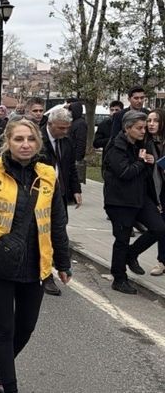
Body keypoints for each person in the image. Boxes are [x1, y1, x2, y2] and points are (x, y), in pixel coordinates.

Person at [0, 118, 72, 393]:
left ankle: (2, 362)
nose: (25, 144)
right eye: (19, 139)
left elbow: (57, 221)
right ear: (7, 142)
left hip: (36, 264)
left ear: (38, 143)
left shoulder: (49, 175)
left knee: (26, 327)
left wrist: (63, 261)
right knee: (5, 329)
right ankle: (8, 384)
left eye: (31, 139)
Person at [103, 111, 165, 294]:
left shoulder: (142, 145)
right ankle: (119, 278)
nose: (143, 131)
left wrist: (150, 163)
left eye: (144, 128)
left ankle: (132, 254)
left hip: (140, 198)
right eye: (139, 128)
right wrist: (141, 162)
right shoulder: (116, 146)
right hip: (120, 201)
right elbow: (125, 173)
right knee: (122, 239)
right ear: (127, 128)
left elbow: (145, 177)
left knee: (159, 228)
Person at [38, 106, 82, 296]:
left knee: (59, 229)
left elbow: (70, 167)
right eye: (61, 128)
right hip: (38, 194)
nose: (65, 132)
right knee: (42, 234)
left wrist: (76, 190)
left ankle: (57, 265)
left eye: (67, 128)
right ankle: (46, 277)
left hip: (59, 194)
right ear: (50, 124)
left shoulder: (66, 141)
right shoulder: (37, 140)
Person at [145, 109, 165, 276]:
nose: (151, 124)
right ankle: (161, 261)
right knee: (161, 226)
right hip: (154, 190)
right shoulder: (145, 141)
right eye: (149, 120)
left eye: (155, 121)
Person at [67, 101, 88, 184]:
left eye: (71, 110)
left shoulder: (80, 124)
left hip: (75, 155)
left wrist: (78, 157)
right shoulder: (74, 122)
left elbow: (81, 141)